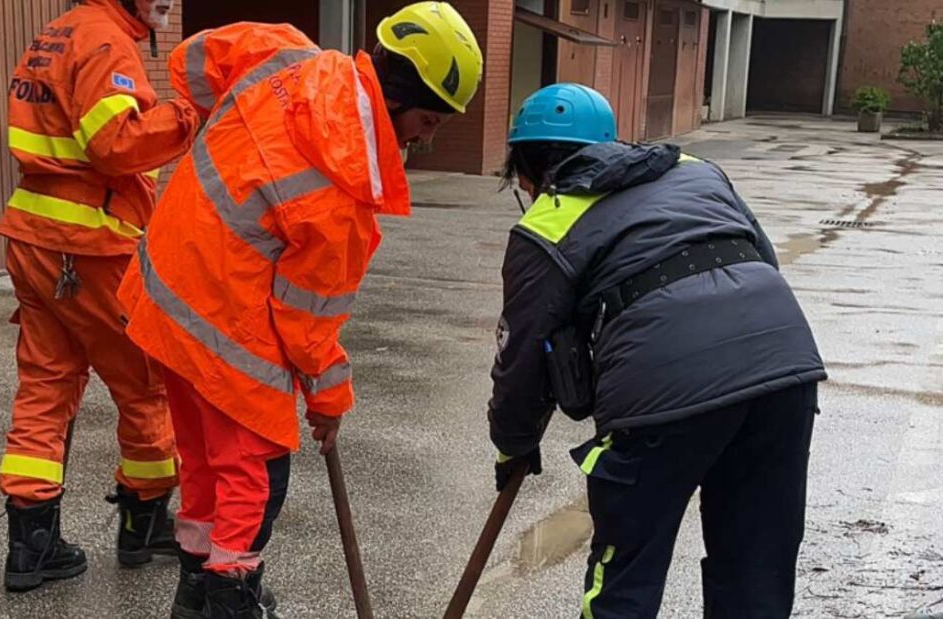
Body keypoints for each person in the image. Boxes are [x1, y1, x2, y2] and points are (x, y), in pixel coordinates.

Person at [117, 3, 483, 617]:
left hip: (165, 293)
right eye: (425, 120)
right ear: (393, 96)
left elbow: (192, 62)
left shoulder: (289, 54)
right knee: (256, 478)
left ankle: (196, 592)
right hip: (224, 325)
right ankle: (229, 597)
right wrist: (330, 400)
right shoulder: (341, 196)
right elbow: (306, 325)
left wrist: (230, 131)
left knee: (206, 461)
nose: (426, 137)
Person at [488, 83, 826, 618]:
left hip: (666, 388)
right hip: (783, 369)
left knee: (626, 579)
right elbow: (761, 255)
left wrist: (513, 445)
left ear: (528, 169)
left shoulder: (548, 219)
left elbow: (523, 355)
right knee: (755, 572)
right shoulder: (694, 169)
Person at [0, 0, 200, 592]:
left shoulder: (59, 33)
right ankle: (143, 525)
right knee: (145, 385)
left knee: (45, 383)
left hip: (36, 239)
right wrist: (185, 116)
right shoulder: (106, 41)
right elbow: (115, 145)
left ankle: (30, 545)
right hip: (92, 245)